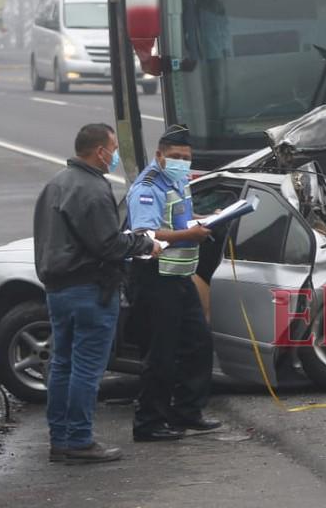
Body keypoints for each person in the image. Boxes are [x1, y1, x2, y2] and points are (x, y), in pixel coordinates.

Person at [34, 123, 155, 463]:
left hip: (57, 290)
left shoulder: (55, 184)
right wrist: (146, 244)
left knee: (62, 365)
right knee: (87, 368)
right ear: (100, 151)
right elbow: (108, 244)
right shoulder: (93, 188)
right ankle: (79, 439)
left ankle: (60, 438)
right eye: (113, 149)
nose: (114, 155)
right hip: (90, 289)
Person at [126, 124, 220, 441]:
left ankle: (187, 412)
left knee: (198, 344)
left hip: (180, 276)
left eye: (186, 157)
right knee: (161, 355)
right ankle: (149, 423)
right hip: (155, 277)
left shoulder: (178, 181)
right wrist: (189, 235)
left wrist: (207, 220)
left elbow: (179, 219)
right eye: (176, 156)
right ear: (160, 155)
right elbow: (145, 234)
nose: (182, 162)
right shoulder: (148, 187)